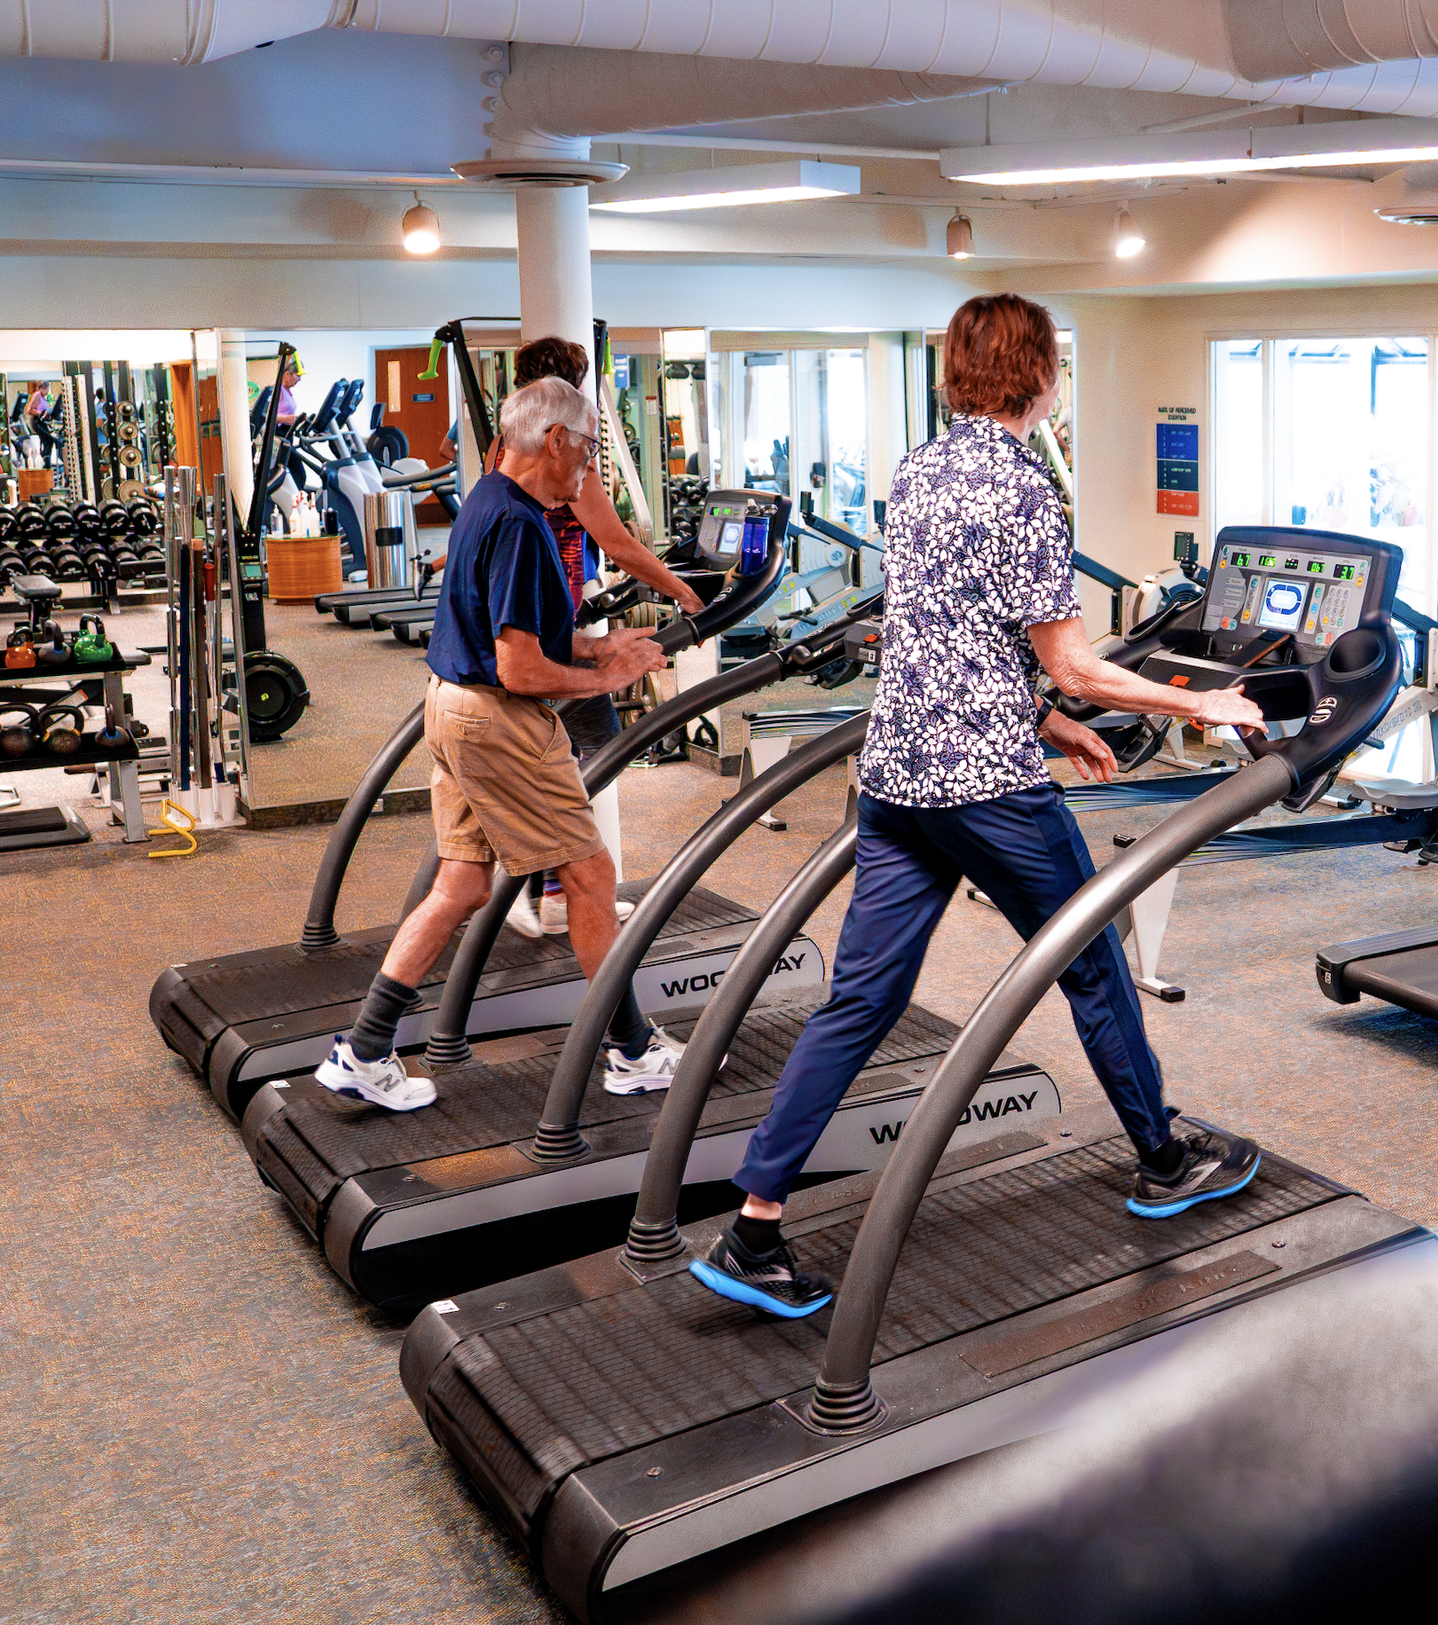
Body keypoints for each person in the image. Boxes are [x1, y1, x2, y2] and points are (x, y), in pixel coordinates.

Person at [690, 293, 1269, 1318]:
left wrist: (1048, 721)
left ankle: (753, 1228)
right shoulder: (1026, 486)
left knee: (859, 1001)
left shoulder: (917, 469)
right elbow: (1077, 663)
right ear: (1040, 375)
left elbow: (943, 634)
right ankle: (1163, 1155)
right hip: (987, 786)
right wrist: (1198, 701)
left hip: (897, 778)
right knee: (1091, 961)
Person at [314, 378, 677, 1112]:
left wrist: (598, 642)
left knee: (463, 884)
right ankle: (634, 1052)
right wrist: (610, 674)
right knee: (590, 876)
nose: (590, 467)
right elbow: (521, 668)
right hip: (497, 719)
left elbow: (513, 629)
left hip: (448, 707)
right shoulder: (521, 526)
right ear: (555, 440)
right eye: (587, 448)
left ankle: (364, 1046)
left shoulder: (489, 497)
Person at [477, 336, 703, 940]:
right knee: (595, 744)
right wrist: (680, 590)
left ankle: (549, 888)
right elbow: (618, 544)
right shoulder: (564, 454)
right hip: (543, 631)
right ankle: (534, 881)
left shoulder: (502, 444)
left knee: (574, 752)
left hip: (545, 619)